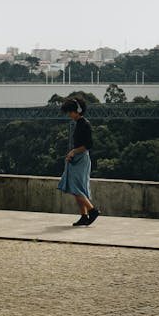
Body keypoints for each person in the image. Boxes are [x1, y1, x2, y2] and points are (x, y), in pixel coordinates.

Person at [57, 97, 100, 226]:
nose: (69, 115)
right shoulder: (78, 123)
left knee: (77, 188)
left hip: (81, 159)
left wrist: (73, 152)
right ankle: (84, 216)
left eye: (70, 112)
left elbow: (88, 145)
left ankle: (92, 210)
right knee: (77, 188)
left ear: (78, 111)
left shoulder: (84, 124)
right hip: (76, 158)